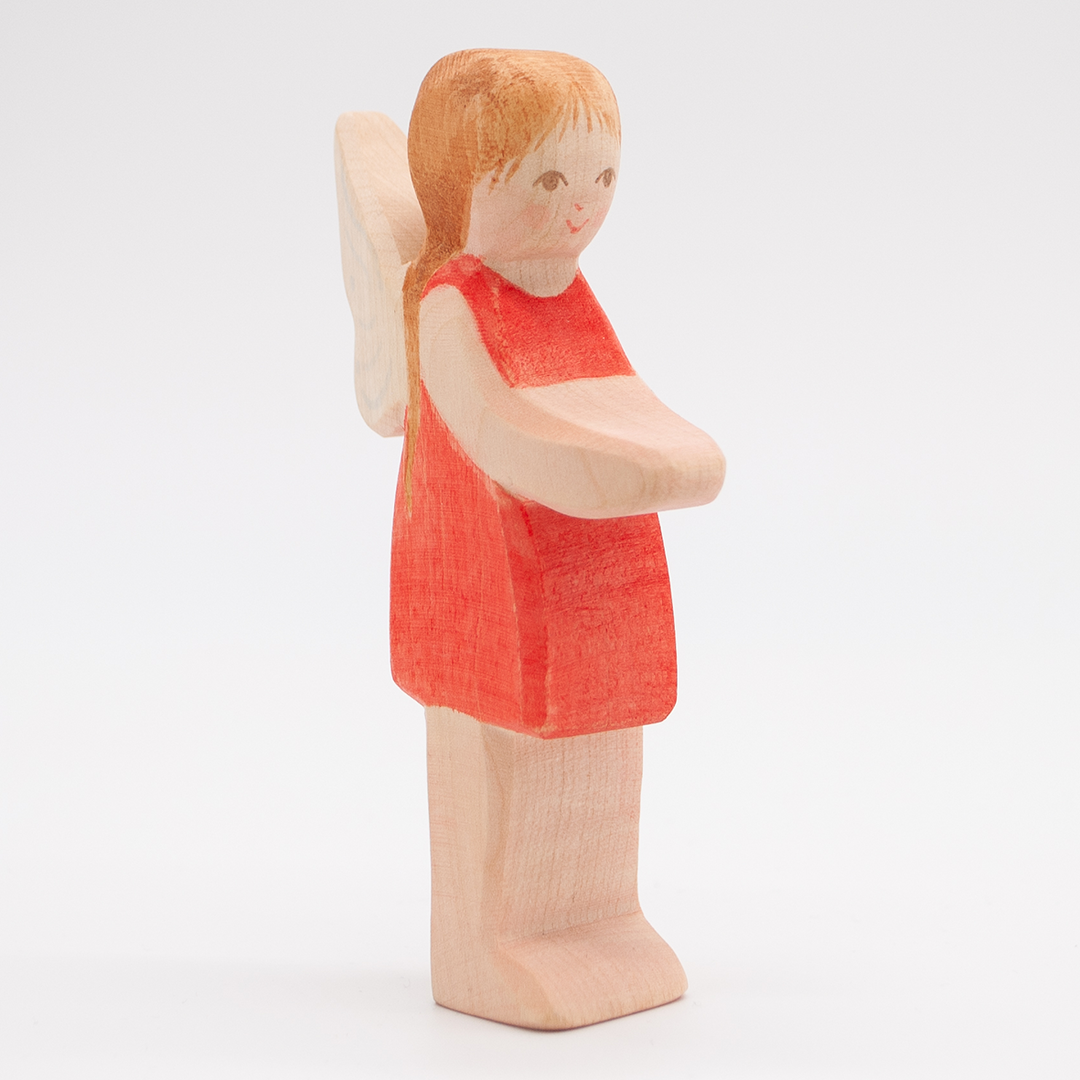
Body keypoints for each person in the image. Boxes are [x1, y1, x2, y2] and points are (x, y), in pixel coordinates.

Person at [391, 49, 725, 1029]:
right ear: (461, 186)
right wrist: (634, 463)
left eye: (602, 176)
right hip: (487, 581)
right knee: (503, 773)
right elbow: (502, 428)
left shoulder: (567, 291)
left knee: (603, 764)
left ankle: (602, 919)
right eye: (545, 181)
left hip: (596, 570)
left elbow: (617, 400)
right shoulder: (454, 303)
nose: (580, 205)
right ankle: (496, 946)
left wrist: (658, 454)